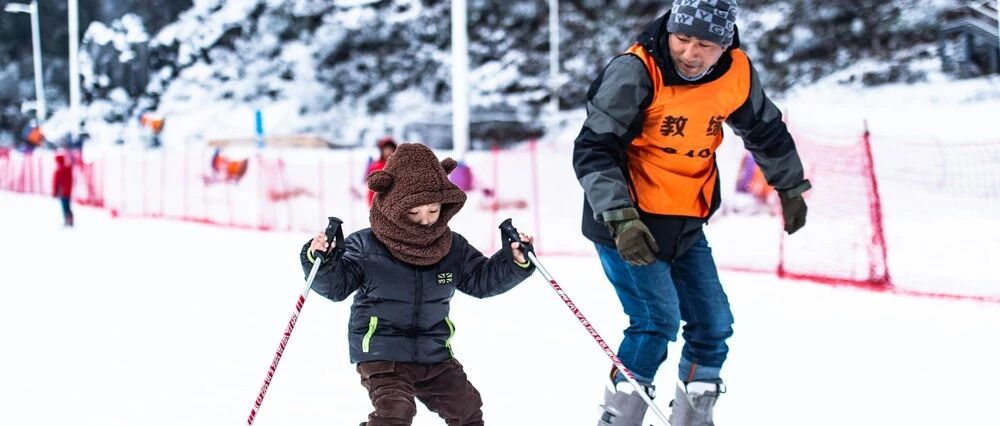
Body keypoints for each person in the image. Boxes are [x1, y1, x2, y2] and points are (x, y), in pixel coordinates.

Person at [572, 1, 811, 425]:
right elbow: (594, 149)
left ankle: (692, 420)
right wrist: (621, 217)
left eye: (704, 44)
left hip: (685, 221)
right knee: (654, 322)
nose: (689, 53)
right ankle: (619, 419)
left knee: (714, 325)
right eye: (682, 39)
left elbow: (765, 130)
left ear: (725, 44)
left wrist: (789, 185)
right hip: (629, 222)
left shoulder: (736, 73)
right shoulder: (637, 71)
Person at [301, 143, 535, 426]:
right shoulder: (366, 246)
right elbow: (335, 287)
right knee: (396, 412)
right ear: (392, 205)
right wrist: (321, 260)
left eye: (433, 210)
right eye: (414, 212)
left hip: (432, 352)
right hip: (382, 353)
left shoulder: (452, 247)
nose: (426, 221)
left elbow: (482, 280)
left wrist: (514, 260)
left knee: (467, 408)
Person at [366, 136, 398, 206]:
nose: (388, 151)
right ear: (382, 150)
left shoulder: (398, 165)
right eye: (386, 149)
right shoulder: (376, 166)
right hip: (380, 204)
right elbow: (371, 188)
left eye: (391, 149)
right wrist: (371, 203)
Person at [52, 152, 74, 227]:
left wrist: (54, 192)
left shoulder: (58, 171)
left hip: (62, 192)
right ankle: (70, 220)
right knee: (68, 205)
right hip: (68, 191)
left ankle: (67, 220)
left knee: (64, 207)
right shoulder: (68, 169)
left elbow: (56, 183)